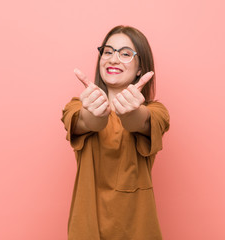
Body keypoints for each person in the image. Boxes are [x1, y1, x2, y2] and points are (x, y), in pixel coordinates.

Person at [61, 25, 170, 240]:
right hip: (87, 229)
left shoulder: (157, 112)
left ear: (140, 68)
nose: (113, 59)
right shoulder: (76, 107)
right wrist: (97, 113)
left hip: (139, 230)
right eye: (108, 51)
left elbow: (137, 122)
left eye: (125, 54)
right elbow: (89, 122)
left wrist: (129, 113)